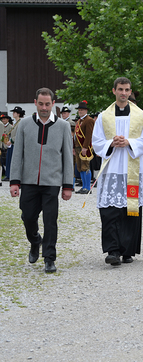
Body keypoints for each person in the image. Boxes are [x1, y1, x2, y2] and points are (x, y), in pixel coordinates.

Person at [92, 77, 143, 266]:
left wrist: (129, 142)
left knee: (131, 211)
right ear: (113, 91)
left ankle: (128, 250)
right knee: (110, 210)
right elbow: (96, 141)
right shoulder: (104, 116)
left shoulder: (140, 116)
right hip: (112, 169)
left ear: (130, 91)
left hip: (132, 169)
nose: (123, 93)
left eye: (127, 90)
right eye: (120, 89)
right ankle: (113, 250)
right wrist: (111, 143)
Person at [9, 88, 73, 273]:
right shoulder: (24, 124)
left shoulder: (62, 126)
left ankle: (49, 258)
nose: (44, 107)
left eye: (47, 104)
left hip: (52, 182)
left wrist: (67, 185)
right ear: (35, 102)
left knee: (50, 220)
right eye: (41, 104)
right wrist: (15, 181)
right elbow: (17, 154)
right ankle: (35, 240)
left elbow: (68, 157)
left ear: (53, 104)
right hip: (28, 181)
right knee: (27, 216)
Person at [74, 101, 95, 194]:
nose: (80, 111)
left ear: (86, 110)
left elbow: (89, 135)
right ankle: (83, 186)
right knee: (80, 167)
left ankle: (87, 187)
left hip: (84, 147)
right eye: (79, 110)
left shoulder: (89, 120)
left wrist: (85, 147)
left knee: (85, 166)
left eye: (82, 110)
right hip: (78, 147)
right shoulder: (79, 121)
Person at [4, 106, 25, 182]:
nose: (13, 114)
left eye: (14, 112)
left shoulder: (20, 123)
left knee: (15, 161)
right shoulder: (16, 123)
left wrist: (12, 141)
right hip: (12, 144)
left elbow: (19, 135)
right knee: (10, 160)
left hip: (16, 144)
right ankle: (9, 175)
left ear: (18, 114)